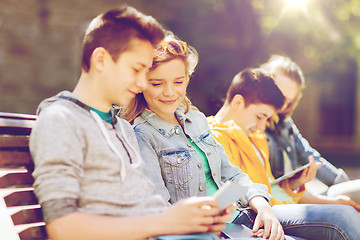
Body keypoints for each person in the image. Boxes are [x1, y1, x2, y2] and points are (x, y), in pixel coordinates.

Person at [29, 6, 235, 240]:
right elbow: (62, 229)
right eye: (136, 70)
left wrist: (198, 218)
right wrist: (166, 221)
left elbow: (148, 209)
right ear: (101, 59)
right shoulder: (61, 119)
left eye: (146, 72)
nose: (141, 83)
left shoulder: (123, 129)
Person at [122, 33, 287, 240]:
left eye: (178, 82)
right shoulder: (141, 135)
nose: (170, 92)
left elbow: (234, 175)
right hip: (209, 231)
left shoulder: (197, 120)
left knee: (338, 215)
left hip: (242, 215)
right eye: (157, 84)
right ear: (141, 84)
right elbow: (159, 209)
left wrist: (263, 206)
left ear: (187, 79)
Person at [207, 67, 360, 240]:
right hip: (254, 212)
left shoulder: (255, 137)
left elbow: (266, 185)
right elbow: (240, 191)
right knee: (342, 215)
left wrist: (294, 183)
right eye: (260, 116)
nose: (262, 126)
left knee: (345, 213)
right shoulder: (213, 137)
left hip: (275, 206)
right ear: (237, 103)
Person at [261, 55, 360, 208]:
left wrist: (343, 184)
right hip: (283, 202)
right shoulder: (253, 128)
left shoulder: (285, 123)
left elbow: (310, 156)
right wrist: (336, 200)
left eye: (288, 101)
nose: (282, 105)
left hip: (298, 196)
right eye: (279, 94)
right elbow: (272, 189)